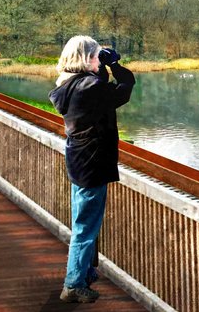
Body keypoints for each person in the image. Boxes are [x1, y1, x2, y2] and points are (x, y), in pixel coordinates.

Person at [49, 36, 135, 304]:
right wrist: (115, 65)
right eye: (97, 56)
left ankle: (85, 272)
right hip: (94, 162)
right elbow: (125, 89)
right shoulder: (90, 87)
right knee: (86, 225)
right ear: (87, 59)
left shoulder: (67, 85)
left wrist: (106, 64)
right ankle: (73, 284)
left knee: (83, 219)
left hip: (79, 159)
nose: (100, 60)